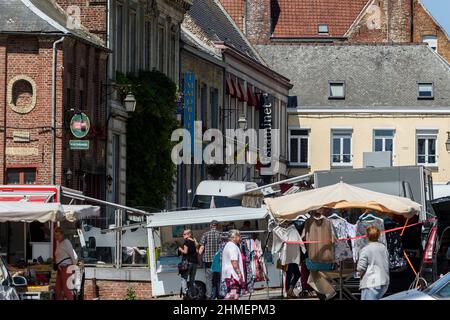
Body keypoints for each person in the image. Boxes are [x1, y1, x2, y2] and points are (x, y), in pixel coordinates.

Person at [357, 226, 390, 300]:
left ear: (367, 236)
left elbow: (361, 267)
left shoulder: (365, 249)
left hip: (371, 283)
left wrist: (359, 274)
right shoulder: (384, 248)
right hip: (384, 281)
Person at [54, 227, 78, 300]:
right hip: (60, 268)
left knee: (67, 289)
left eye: (58, 235)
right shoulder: (58, 243)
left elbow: (73, 256)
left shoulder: (66, 242)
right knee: (57, 289)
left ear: (62, 235)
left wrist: (73, 268)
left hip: (67, 267)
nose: (56, 237)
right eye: (55, 235)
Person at [199, 220, 221, 299]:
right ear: (217, 226)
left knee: (209, 278)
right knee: (217, 277)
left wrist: (198, 256)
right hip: (217, 260)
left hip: (208, 260)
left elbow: (201, 247)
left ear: (210, 226)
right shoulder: (220, 234)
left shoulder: (205, 234)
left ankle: (209, 295)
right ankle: (219, 294)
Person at [221, 229, 245, 300]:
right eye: (238, 236)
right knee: (233, 294)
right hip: (233, 274)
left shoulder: (228, 245)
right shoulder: (232, 246)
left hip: (229, 273)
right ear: (234, 237)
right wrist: (239, 272)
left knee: (232, 293)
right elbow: (234, 261)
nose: (240, 238)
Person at [178, 229, 198, 297]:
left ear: (189, 234)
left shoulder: (187, 241)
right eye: (183, 234)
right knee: (192, 280)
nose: (183, 235)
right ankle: (194, 294)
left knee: (184, 278)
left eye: (184, 234)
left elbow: (185, 252)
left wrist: (180, 249)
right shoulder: (194, 242)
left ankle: (185, 293)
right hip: (194, 263)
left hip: (187, 263)